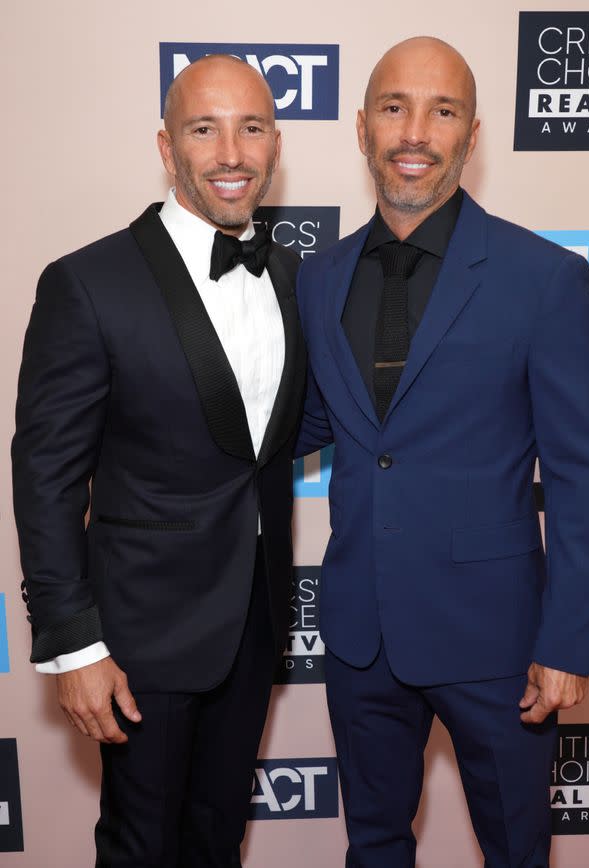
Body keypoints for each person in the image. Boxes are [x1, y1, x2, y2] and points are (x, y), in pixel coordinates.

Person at [295, 36, 589, 867]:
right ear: (363, 126)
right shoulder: (317, 278)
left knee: (517, 849)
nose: (416, 132)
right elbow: (301, 425)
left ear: (472, 137)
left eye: (443, 111)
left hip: (500, 642)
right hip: (361, 636)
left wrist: (568, 641)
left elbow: (584, 473)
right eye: (396, 108)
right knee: (373, 848)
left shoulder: (543, 277)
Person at [12, 54, 305, 868]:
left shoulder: (292, 277)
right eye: (204, 129)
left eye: (251, 128)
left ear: (275, 144)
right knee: (141, 848)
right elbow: (46, 476)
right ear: (166, 146)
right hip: (137, 638)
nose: (231, 153)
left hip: (254, 621)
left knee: (218, 840)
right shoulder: (87, 283)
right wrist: (74, 645)